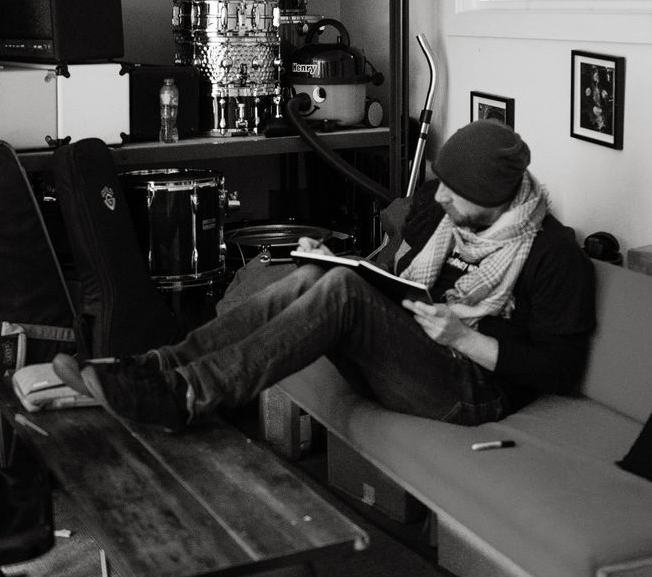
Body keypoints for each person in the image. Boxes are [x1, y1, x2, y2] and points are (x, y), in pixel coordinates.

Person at [65, 119, 597, 432]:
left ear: (494, 198)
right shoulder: (438, 215)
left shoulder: (551, 254)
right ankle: (158, 367)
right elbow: (389, 278)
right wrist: (330, 261)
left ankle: (187, 395)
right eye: (440, 183)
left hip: (470, 389)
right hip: (410, 355)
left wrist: (463, 338)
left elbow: (562, 370)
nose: (439, 198)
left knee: (341, 292)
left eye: (455, 194)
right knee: (315, 280)